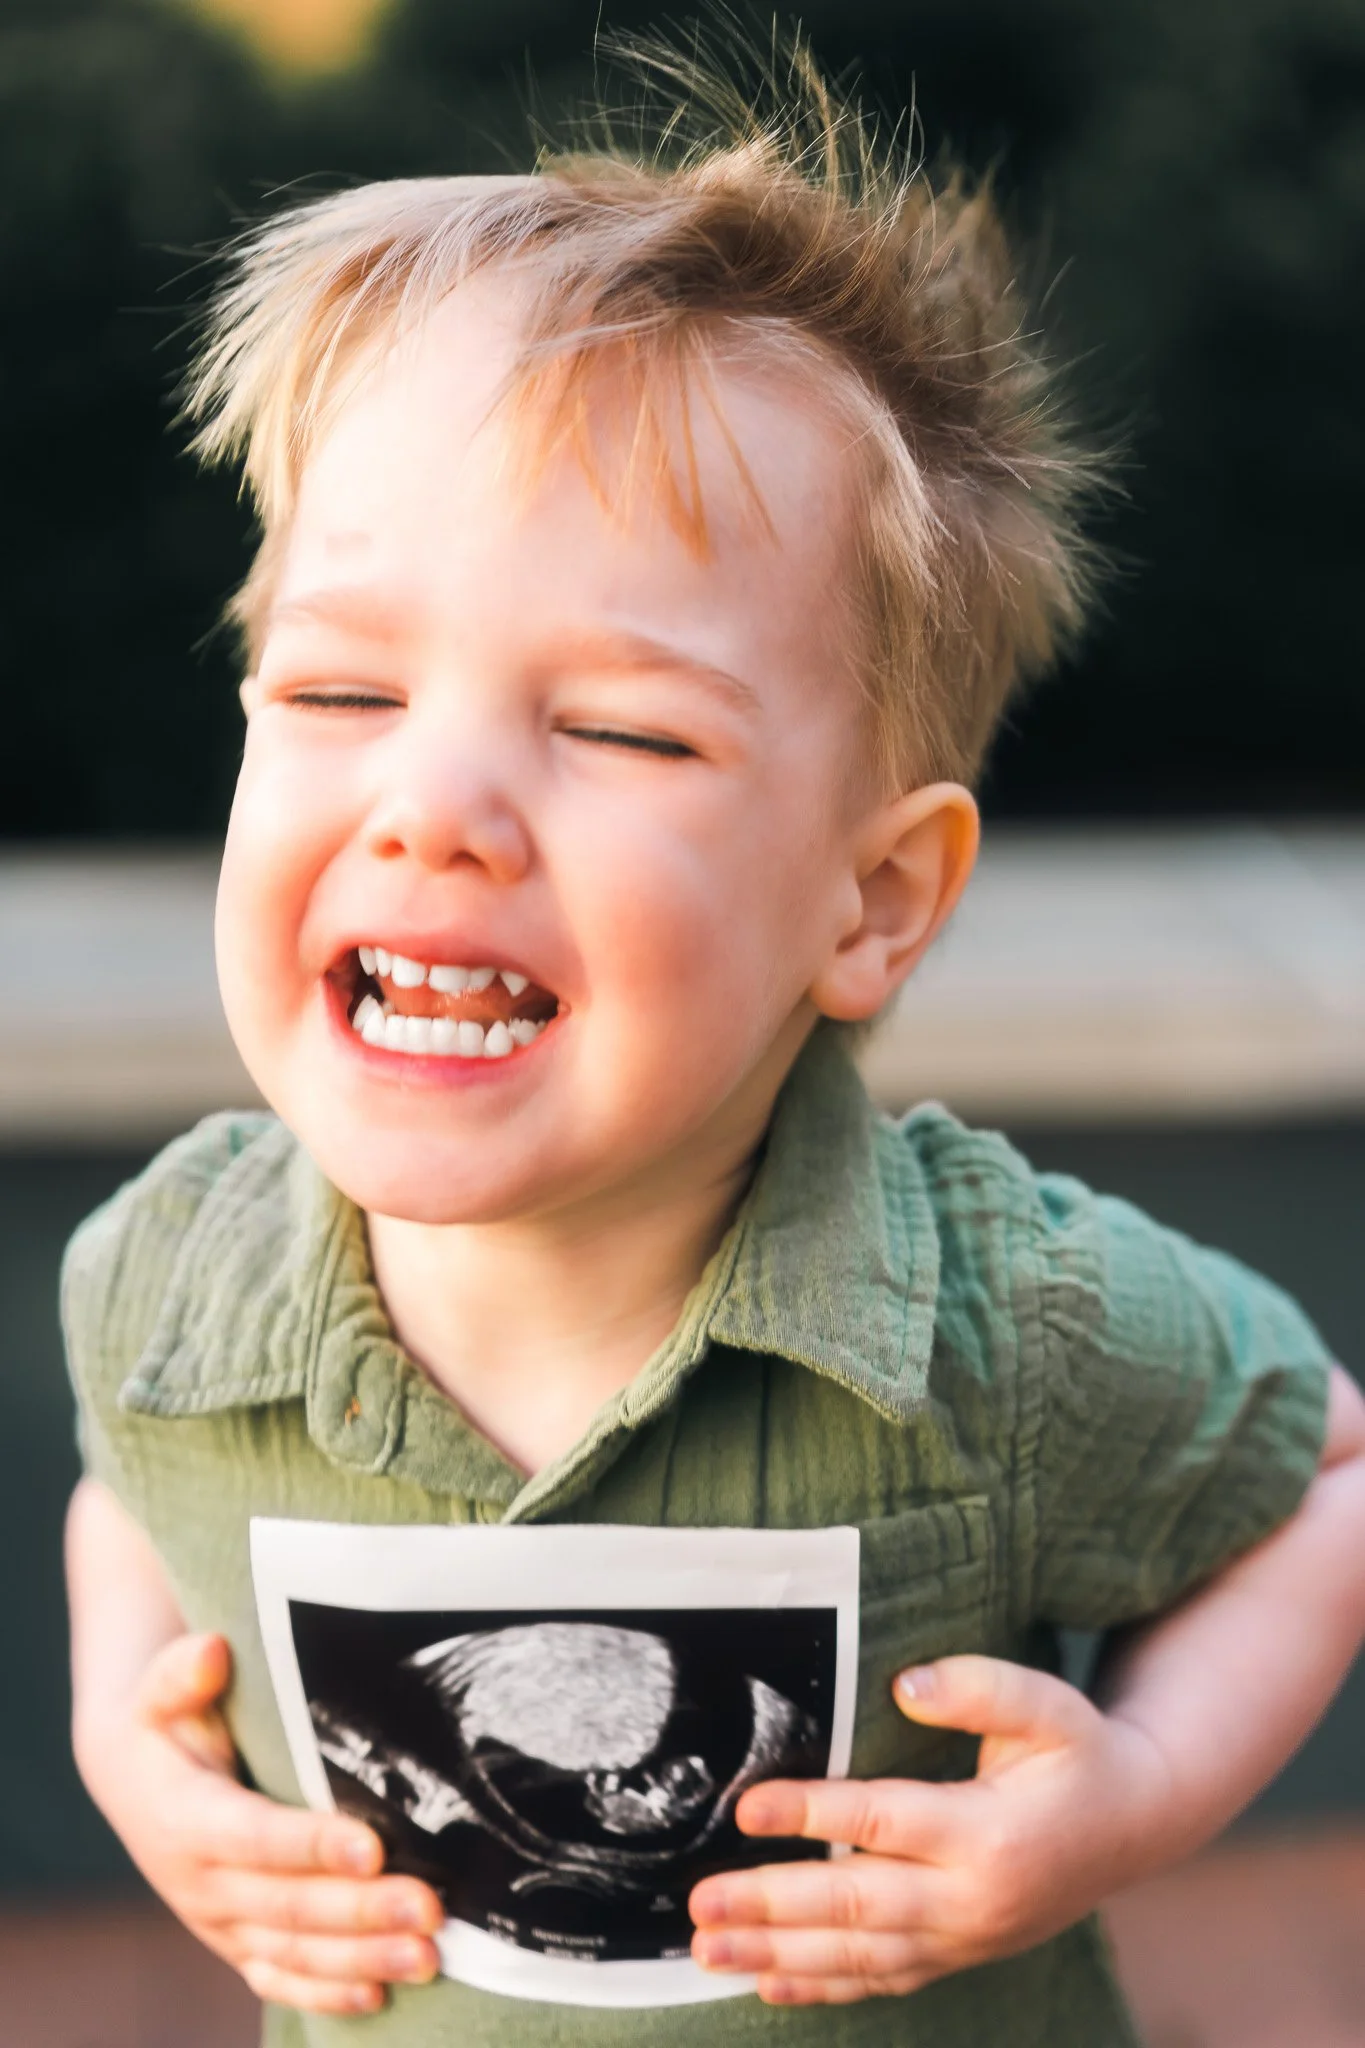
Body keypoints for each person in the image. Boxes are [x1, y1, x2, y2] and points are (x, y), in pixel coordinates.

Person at [60, 27, 1365, 2048]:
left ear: (873, 901)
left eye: (618, 729)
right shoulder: (168, 1282)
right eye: (338, 693)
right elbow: (128, 1490)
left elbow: (1318, 1482)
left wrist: (1136, 1794)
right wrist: (132, 1758)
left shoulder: (1004, 1334)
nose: (434, 806)